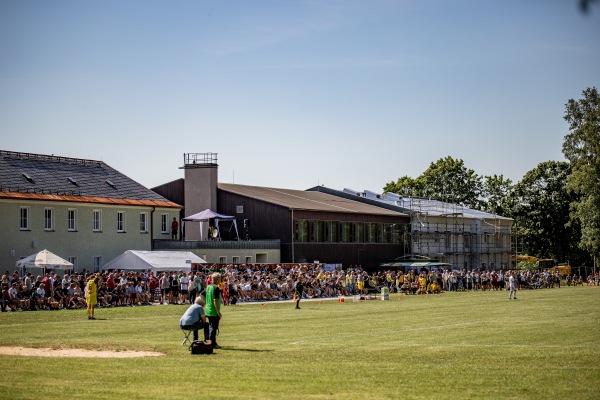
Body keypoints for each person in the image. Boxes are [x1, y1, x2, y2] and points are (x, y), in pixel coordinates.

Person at [202, 272, 223, 349]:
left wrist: (206, 303)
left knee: (211, 326)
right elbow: (215, 300)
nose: (220, 280)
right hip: (213, 311)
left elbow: (201, 294)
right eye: (220, 278)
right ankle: (212, 343)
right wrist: (218, 311)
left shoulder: (208, 287)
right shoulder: (216, 288)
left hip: (208, 309)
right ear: (217, 279)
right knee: (214, 327)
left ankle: (211, 342)